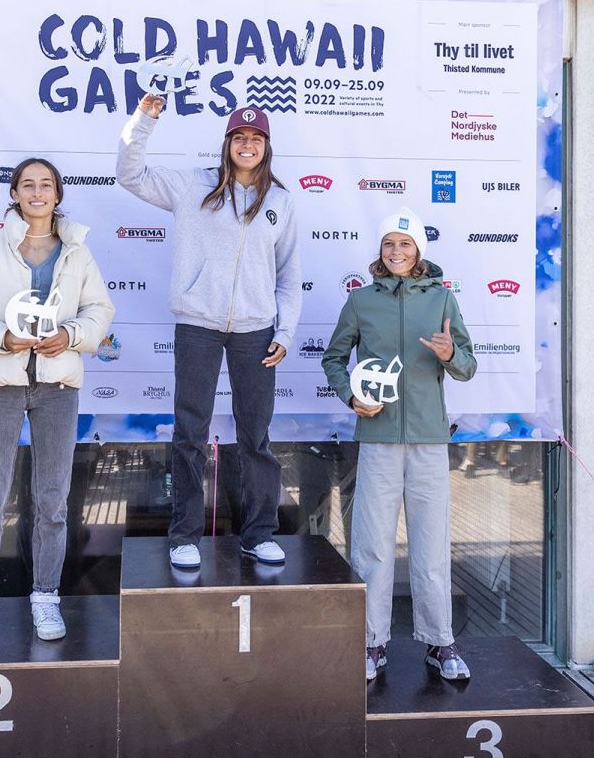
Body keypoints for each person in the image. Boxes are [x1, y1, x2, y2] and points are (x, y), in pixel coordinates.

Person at [117, 95, 301, 569]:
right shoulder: (191, 185)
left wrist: (285, 331)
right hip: (197, 324)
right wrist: (144, 120)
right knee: (190, 433)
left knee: (255, 436)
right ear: (227, 143)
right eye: (239, 137)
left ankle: (258, 534)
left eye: (256, 138)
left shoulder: (280, 202)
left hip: (256, 331)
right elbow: (130, 174)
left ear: (267, 147)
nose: (247, 145)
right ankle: (184, 536)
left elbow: (288, 276)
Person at [0, 158, 114, 641]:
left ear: (58, 194)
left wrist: (71, 335)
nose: (38, 193)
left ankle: (46, 598)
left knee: (53, 502)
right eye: (28, 185)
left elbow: (99, 310)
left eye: (46, 185)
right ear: (14, 193)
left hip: (57, 389)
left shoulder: (77, 253)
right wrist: (2, 338)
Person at [322, 207, 476, 682]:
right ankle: (373, 642)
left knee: (431, 546)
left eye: (405, 244)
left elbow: (468, 366)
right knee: (372, 546)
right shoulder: (360, 301)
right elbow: (333, 359)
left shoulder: (443, 300)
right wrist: (350, 396)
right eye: (389, 243)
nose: (396, 251)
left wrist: (451, 354)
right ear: (380, 250)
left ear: (418, 251)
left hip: (429, 439)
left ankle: (440, 642)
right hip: (379, 438)